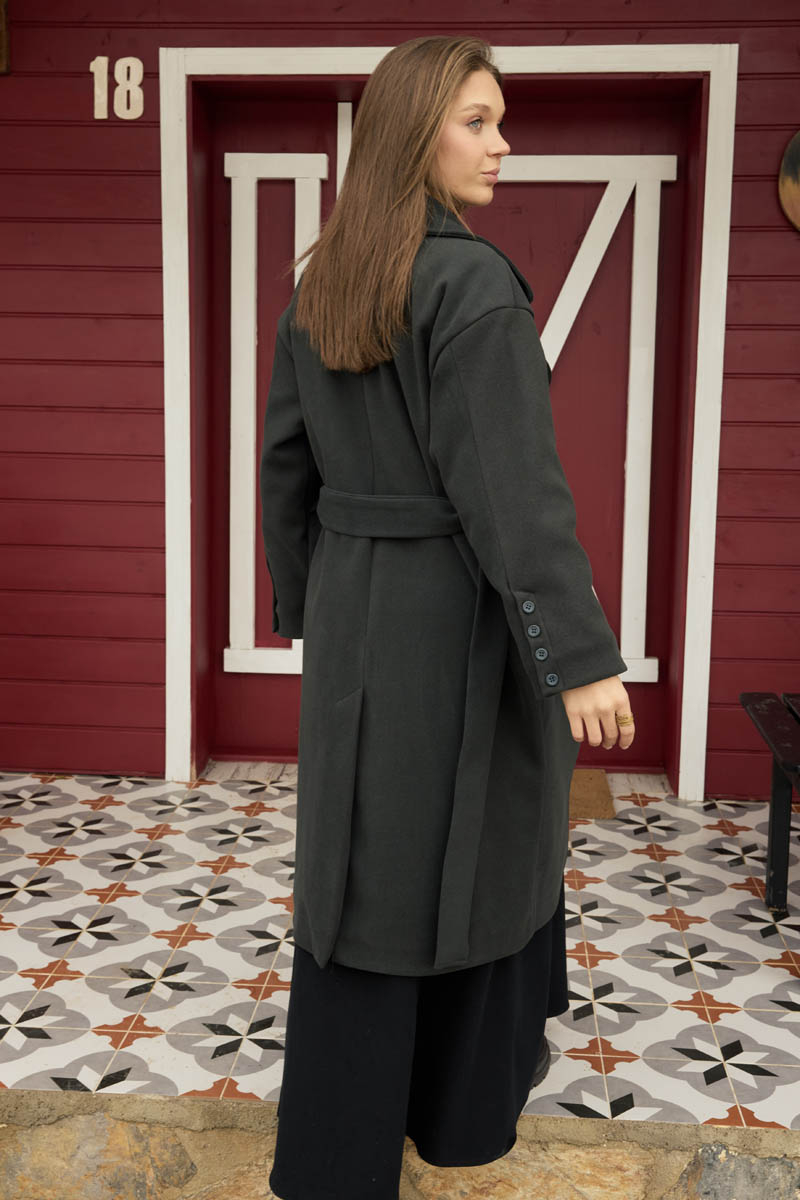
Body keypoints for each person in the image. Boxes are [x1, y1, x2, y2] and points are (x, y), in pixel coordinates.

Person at [259, 34, 636, 1199]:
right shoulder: (471, 286)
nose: (500, 144)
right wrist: (577, 659)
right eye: (476, 120)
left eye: (497, 120)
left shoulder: (321, 280)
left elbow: (284, 468)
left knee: (360, 865)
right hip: (460, 622)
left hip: (357, 611)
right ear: (411, 130)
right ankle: (455, 1119)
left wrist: (310, 606)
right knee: (473, 849)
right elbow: (514, 496)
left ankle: (336, 1153)